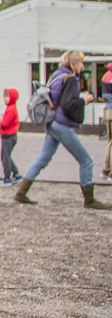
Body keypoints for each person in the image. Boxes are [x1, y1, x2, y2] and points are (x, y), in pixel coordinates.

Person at [15, 51, 111, 209]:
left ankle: (21, 192)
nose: (82, 65)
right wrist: (83, 99)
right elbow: (68, 104)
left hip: (52, 122)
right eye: (80, 62)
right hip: (61, 124)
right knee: (86, 160)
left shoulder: (56, 76)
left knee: (43, 158)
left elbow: (59, 99)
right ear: (73, 64)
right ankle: (90, 200)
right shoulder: (71, 79)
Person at [0, 88, 22, 186]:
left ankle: (7, 177)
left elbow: (5, 123)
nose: (5, 99)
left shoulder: (11, 109)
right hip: (10, 136)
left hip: (8, 137)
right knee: (6, 156)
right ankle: (16, 173)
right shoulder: (11, 108)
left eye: (8, 96)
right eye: (4, 97)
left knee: (5, 157)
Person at [100, 62, 112, 182]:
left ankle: (106, 169)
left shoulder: (105, 76)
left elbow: (105, 96)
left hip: (108, 110)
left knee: (110, 141)